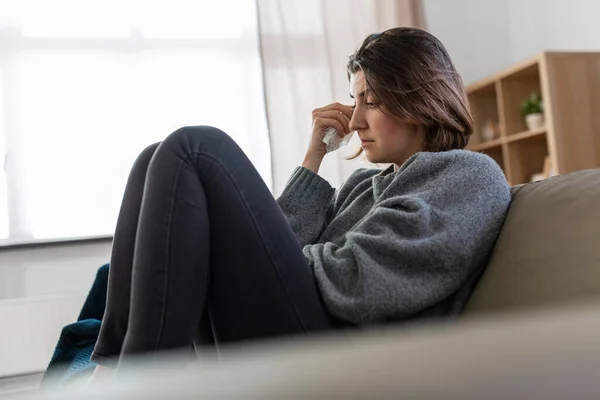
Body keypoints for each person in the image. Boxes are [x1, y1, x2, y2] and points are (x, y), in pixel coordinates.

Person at [89, 27, 511, 377]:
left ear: (418, 100)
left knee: (196, 149)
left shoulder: (468, 176)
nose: (356, 119)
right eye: (354, 101)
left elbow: (361, 285)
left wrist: (243, 252)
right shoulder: (363, 186)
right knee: (153, 158)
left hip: (344, 365)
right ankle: (110, 370)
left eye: (373, 100)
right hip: (303, 337)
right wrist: (314, 159)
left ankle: (139, 382)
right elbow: (284, 252)